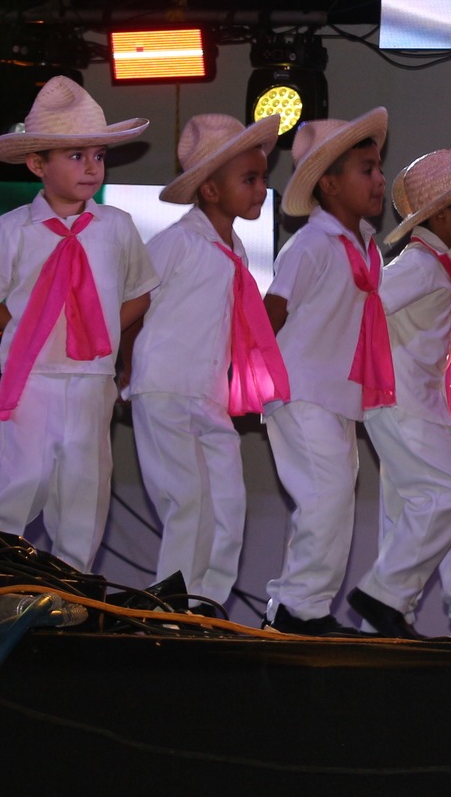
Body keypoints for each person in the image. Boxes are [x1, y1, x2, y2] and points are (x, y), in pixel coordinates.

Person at [0, 77, 155, 572]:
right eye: (75, 156)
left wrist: (101, 332)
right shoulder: (15, 228)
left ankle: (69, 589)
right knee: (23, 478)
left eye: (97, 155)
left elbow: (141, 291)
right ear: (37, 164)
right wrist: (22, 331)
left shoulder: (116, 226)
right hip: (34, 379)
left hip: (92, 379)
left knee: (84, 488)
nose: (91, 166)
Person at [349, 148, 451, 639]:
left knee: (433, 496)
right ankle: (383, 595)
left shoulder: (442, 267)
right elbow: (368, 307)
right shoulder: (421, 266)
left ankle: (386, 604)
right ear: (441, 213)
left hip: (420, 400)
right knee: (446, 493)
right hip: (400, 397)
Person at [127, 112, 289, 614]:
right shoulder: (176, 242)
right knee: (187, 501)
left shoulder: (235, 248)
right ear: (211, 191)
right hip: (164, 388)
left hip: (207, 395)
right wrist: (120, 371)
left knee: (229, 504)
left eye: (263, 178)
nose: (262, 189)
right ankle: (169, 608)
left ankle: (204, 606)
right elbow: (132, 306)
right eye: (250, 179)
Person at [259, 109, 393, 636]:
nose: (379, 178)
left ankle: (296, 607)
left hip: (336, 394)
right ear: (329, 183)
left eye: (378, 167)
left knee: (329, 501)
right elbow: (273, 310)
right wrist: (244, 379)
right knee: (327, 495)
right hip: (299, 389)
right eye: (367, 169)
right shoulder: (312, 244)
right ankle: (299, 609)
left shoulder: (363, 245)